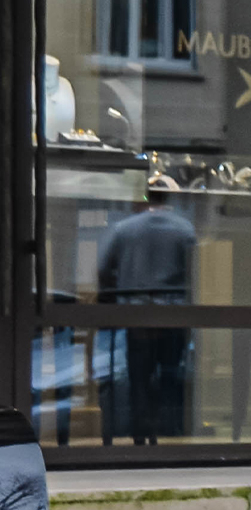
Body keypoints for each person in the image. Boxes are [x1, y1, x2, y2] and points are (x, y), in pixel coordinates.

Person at [96, 176, 195, 446]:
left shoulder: (123, 229)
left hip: (136, 314)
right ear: (170, 199)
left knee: (139, 376)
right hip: (174, 314)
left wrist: (109, 301)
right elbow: (197, 273)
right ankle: (168, 431)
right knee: (170, 373)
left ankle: (140, 434)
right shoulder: (185, 230)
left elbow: (104, 269)